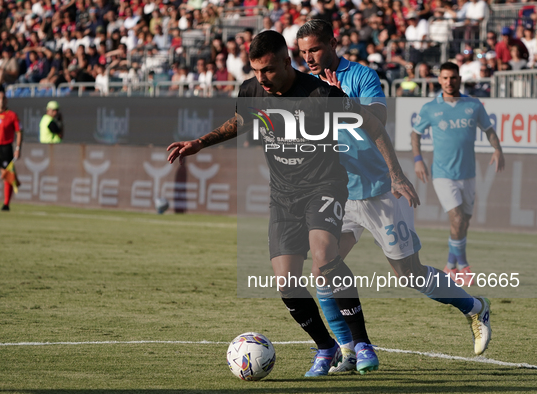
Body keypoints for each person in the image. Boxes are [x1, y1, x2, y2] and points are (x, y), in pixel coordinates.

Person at [167, 30, 418, 377]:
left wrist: (396, 175)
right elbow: (240, 121)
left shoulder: (320, 94)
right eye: (255, 70)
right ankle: (326, 348)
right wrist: (200, 142)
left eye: (268, 69)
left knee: (325, 259)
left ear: (287, 61)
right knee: (286, 281)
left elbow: (374, 125)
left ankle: (361, 343)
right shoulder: (253, 90)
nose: (262, 79)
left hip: (325, 187)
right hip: (283, 196)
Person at [297, 20, 494, 373]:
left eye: (314, 49)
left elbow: (376, 119)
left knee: (409, 273)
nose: (308, 58)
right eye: (302, 52)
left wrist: (339, 100)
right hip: (338, 191)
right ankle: (349, 349)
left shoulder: (361, 76)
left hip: (378, 189)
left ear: (332, 43)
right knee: (321, 268)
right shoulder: (305, 85)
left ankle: (475, 307)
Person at [411, 62, 505, 288]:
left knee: (464, 223)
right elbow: (415, 134)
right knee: (457, 218)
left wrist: (498, 148)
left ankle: (450, 266)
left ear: (459, 79)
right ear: (439, 80)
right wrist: (418, 160)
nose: (449, 82)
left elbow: (488, 130)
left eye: (453, 77)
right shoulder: (431, 108)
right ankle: (463, 266)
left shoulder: (473, 105)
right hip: (443, 174)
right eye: (444, 78)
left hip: (468, 173)